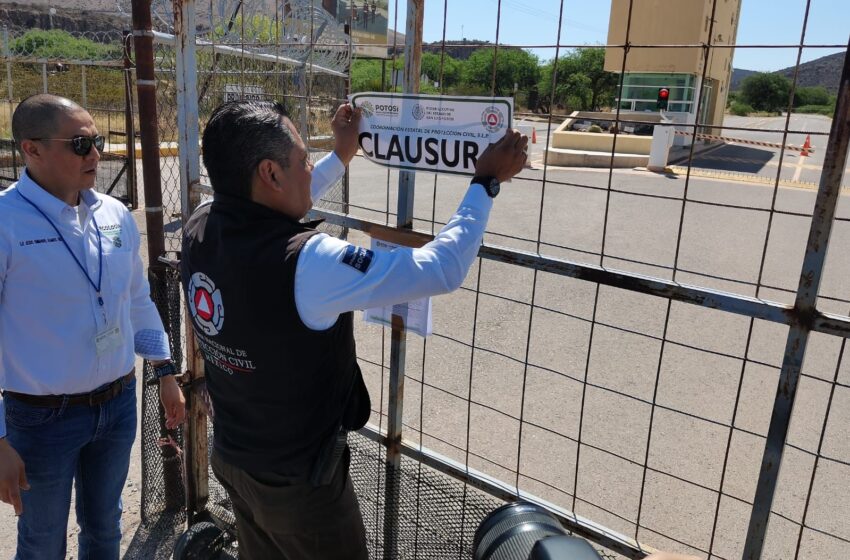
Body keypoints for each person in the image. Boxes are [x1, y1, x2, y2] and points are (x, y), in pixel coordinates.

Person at [181, 99, 526, 560]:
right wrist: (485, 183)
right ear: (270, 173)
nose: (308, 170)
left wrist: (340, 156)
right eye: (303, 161)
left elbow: (283, 202)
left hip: (234, 458)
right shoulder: (307, 261)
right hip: (300, 485)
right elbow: (442, 268)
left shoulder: (201, 221)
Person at [0, 94, 186, 559]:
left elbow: (137, 299)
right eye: (81, 144)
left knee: (104, 529)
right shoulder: (5, 221)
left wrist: (164, 371)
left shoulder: (113, 213)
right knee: (42, 542)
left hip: (118, 404)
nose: (97, 155)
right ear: (32, 149)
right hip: (41, 419)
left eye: (97, 142)